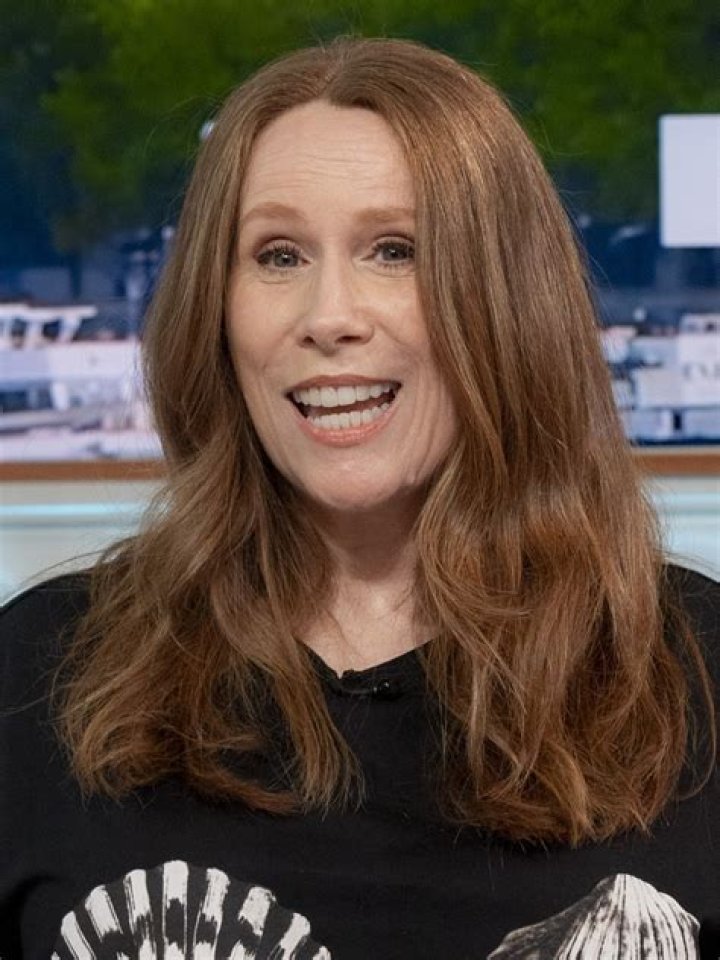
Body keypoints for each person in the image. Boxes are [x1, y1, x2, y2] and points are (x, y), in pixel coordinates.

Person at [1, 37, 718, 960]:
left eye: (395, 250)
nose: (329, 316)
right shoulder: (35, 675)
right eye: (278, 255)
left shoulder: (698, 675)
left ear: (509, 300)